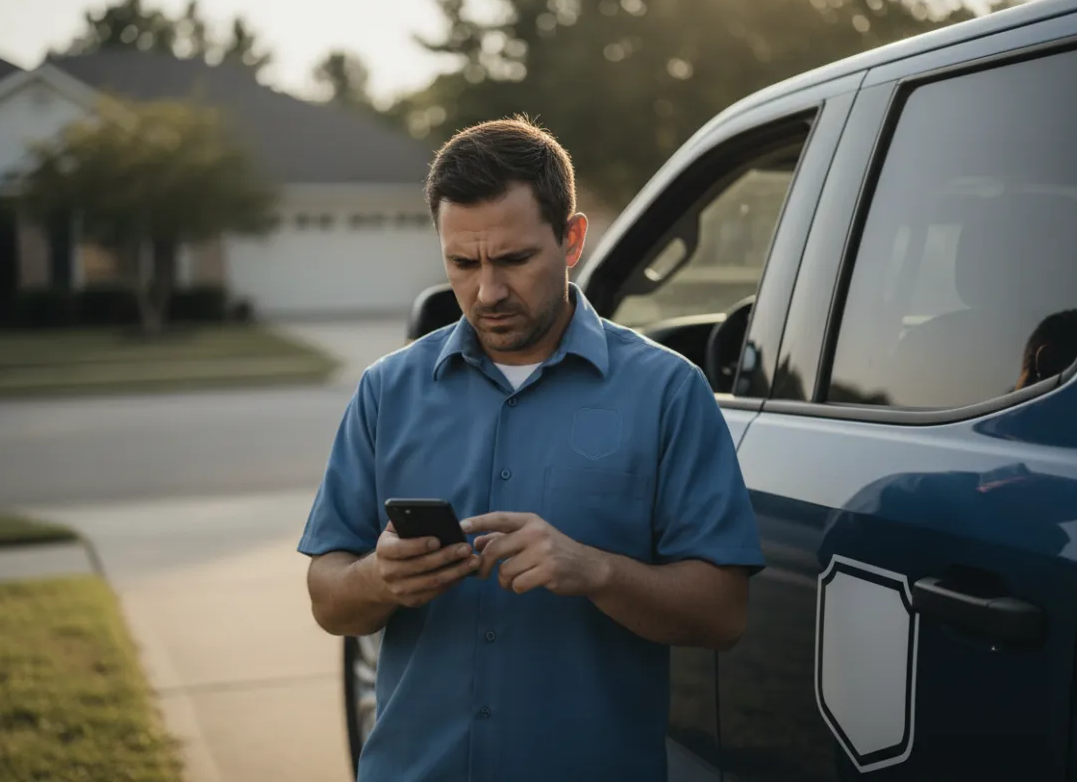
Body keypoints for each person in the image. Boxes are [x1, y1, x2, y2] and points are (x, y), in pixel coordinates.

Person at [299, 116, 765, 782]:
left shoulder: (668, 392)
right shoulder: (386, 391)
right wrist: (378, 578)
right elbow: (327, 599)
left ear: (571, 239)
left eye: (514, 260)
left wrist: (596, 571)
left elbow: (723, 615)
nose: (487, 292)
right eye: (463, 264)